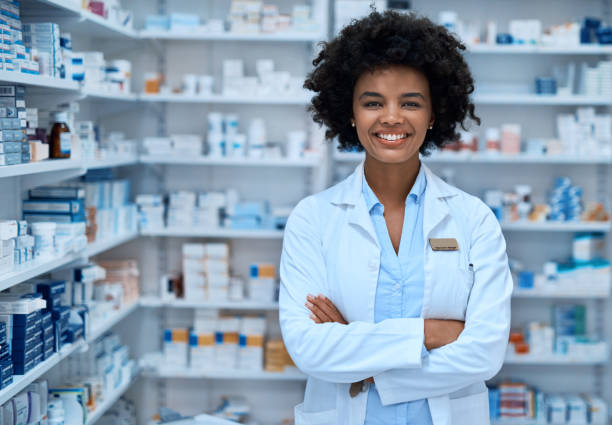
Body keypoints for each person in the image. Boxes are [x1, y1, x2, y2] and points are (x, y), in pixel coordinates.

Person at [279, 10, 512, 425]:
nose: (391, 117)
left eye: (411, 103)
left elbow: (484, 352)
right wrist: (428, 334)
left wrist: (364, 362)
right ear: (350, 112)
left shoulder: (473, 219)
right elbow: (309, 348)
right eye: (373, 103)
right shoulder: (312, 219)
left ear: (434, 113)